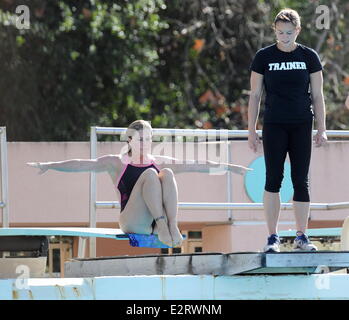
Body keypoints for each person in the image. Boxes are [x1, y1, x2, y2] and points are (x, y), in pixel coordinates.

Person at [28, 120, 251, 248]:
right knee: (150, 176)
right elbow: (81, 165)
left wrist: (230, 167)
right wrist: (50, 164)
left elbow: (195, 164)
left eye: (149, 138)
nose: (145, 143)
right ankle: (164, 226)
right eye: (140, 139)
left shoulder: (159, 162)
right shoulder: (116, 163)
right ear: (130, 141)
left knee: (168, 173)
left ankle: (171, 226)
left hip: (153, 224)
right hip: (131, 220)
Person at [247, 8, 327, 253]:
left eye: (289, 33)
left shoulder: (309, 56)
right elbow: (255, 95)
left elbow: (317, 95)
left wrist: (322, 128)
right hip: (274, 125)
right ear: (275, 31)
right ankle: (273, 237)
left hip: (302, 124)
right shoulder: (264, 57)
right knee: (273, 178)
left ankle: (302, 236)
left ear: (298, 31)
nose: (284, 37)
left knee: (300, 180)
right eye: (280, 32)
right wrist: (251, 129)